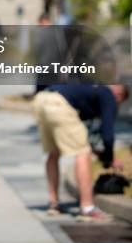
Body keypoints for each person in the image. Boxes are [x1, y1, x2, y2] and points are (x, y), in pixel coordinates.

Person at [33, 83, 129, 220]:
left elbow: (80, 133)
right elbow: (107, 135)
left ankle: (54, 203)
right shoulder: (108, 94)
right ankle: (87, 207)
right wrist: (109, 158)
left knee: (53, 153)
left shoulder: (92, 90)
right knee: (83, 153)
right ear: (119, 95)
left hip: (41, 100)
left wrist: (100, 153)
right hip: (60, 104)